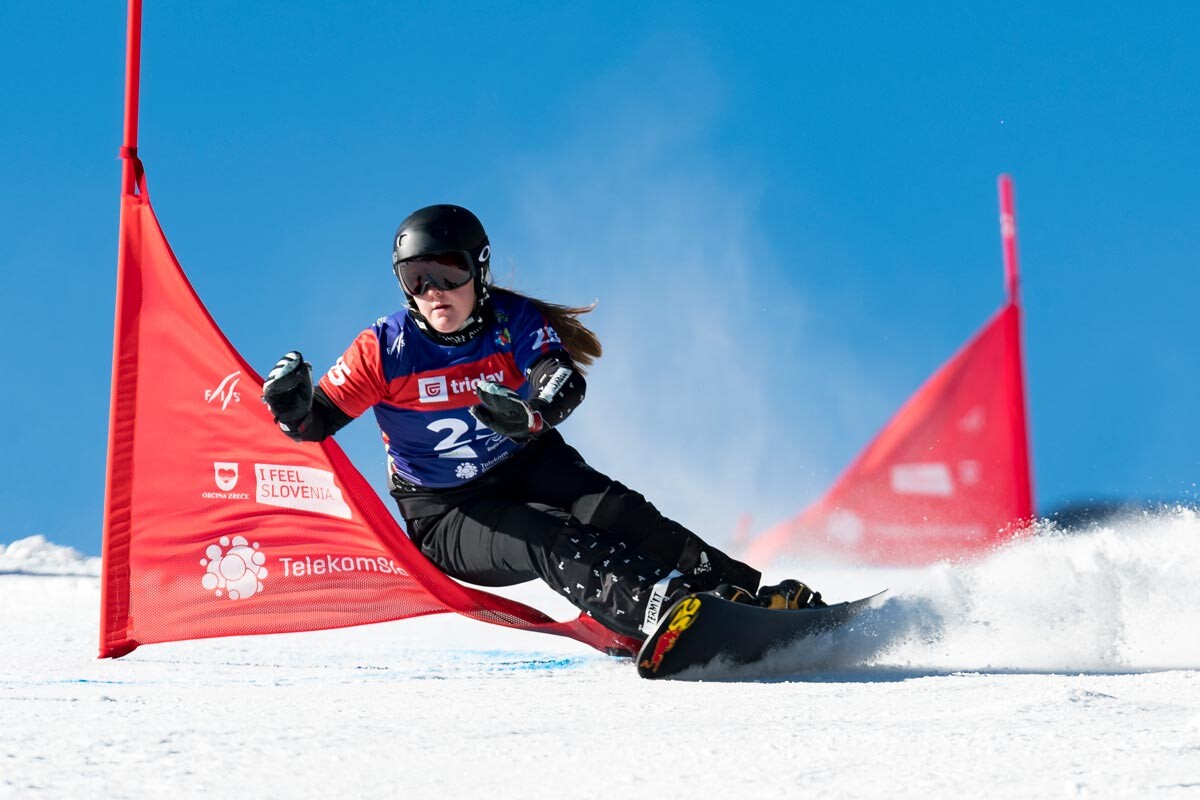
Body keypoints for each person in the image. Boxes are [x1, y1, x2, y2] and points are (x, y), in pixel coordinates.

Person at [260, 204, 823, 640]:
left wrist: (532, 412)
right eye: (415, 277)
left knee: (617, 511)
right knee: (545, 536)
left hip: (527, 459)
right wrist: (291, 407)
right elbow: (313, 424)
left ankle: (751, 597)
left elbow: (561, 379)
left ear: (478, 271)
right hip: (448, 510)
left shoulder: (511, 322)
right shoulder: (384, 349)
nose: (433, 290)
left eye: (448, 271)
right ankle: (660, 609)